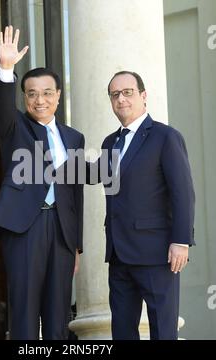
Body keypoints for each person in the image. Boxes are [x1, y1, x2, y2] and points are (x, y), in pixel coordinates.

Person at [0, 26, 84, 340]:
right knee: (25, 311)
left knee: (59, 315)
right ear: (24, 97)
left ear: (58, 96)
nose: (39, 100)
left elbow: (75, 194)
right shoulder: (15, 127)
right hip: (24, 228)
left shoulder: (74, 138)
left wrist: (77, 245)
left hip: (61, 232)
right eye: (31, 93)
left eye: (46, 93)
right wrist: (6, 68)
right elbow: (2, 108)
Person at [89, 71, 195, 340]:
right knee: (122, 332)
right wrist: (50, 164)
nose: (121, 99)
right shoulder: (109, 143)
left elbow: (182, 192)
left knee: (162, 330)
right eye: (115, 95)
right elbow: (94, 174)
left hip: (157, 254)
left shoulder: (165, 137)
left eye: (127, 92)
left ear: (143, 96)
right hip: (119, 255)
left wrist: (181, 241)